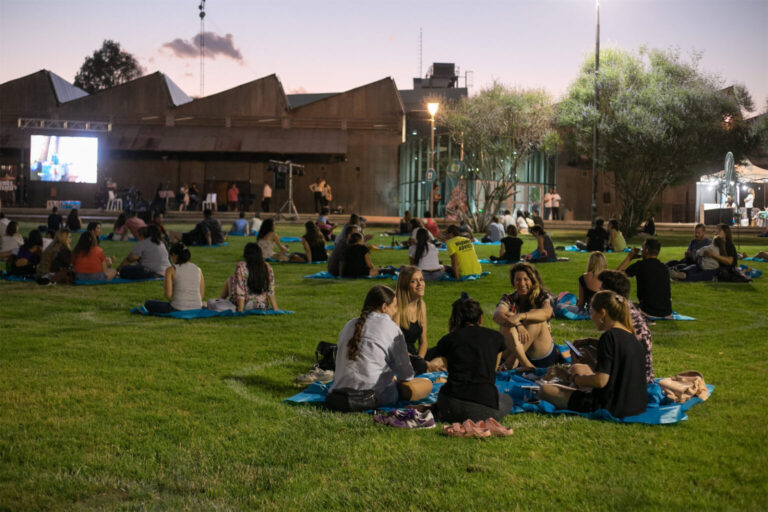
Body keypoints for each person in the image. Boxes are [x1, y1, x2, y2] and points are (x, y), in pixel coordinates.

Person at [539, 290, 648, 419]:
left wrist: (570, 378)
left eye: (592, 312)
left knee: (546, 390)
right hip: (637, 405)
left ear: (603, 313)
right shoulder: (632, 337)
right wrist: (590, 342)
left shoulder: (609, 337)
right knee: (580, 369)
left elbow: (601, 381)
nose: (591, 317)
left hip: (610, 406)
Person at [327, 285, 432, 408]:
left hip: (338, 390)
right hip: (374, 396)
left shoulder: (349, 325)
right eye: (394, 307)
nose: (396, 311)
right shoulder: (391, 328)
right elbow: (406, 375)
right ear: (384, 307)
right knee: (425, 384)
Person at [434, 293, 512, 422]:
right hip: (485, 407)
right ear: (480, 318)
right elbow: (492, 370)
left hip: (451, 406)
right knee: (506, 399)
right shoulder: (496, 338)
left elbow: (450, 370)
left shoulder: (447, 341)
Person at [493, 262, 559, 369]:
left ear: (533, 281)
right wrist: (518, 325)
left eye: (526, 279)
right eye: (518, 280)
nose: (522, 283)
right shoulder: (509, 298)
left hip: (539, 352)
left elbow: (546, 313)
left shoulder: (543, 296)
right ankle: (523, 362)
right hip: (515, 345)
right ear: (513, 283)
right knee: (506, 322)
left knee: (535, 319)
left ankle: (511, 363)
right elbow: (497, 315)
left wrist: (521, 316)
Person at [597, 270, 654, 383]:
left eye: (601, 291)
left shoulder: (618, 319)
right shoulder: (629, 310)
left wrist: (576, 378)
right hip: (642, 377)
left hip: (630, 382)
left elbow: (602, 379)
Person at [208, 242, 277, 312]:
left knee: (230, 279)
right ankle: (221, 300)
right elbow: (270, 290)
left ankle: (220, 300)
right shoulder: (267, 267)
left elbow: (240, 291)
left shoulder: (241, 267)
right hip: (262, 305)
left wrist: (240, 310)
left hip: (245, 305)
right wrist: (276, 309)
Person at [617, 238, 672, 318]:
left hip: (648, 311)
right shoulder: (664, 267)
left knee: (619, 304)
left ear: (646, 250)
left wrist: (629, 258)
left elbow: (615, 276)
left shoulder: (640, 265)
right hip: (666, 312)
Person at [395, 266, 434, 375]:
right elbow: (394, 345)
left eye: (421, 280)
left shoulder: (421, 305)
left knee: (445, 350)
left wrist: (419, 360)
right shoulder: (396, 308)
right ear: (405, 285)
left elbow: (423, 342)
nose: (420, 284)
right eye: (414, 281)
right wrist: (418, 362)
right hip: (399, 357)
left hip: (415, 357)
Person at [144, 243, 204, 313]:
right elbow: (201, 294)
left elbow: (168, 295)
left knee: (148, 303)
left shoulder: (171, 270)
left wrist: (168, 286)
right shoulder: (198, 269)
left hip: (178, 307)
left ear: (175, 255)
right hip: (197, 306)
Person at [557, 252, 607, 317]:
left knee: (559, 306)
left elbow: (581, 304)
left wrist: (574, 304)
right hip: (607, 312)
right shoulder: (609, 277)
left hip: (591, 312)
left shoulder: (584, 277)